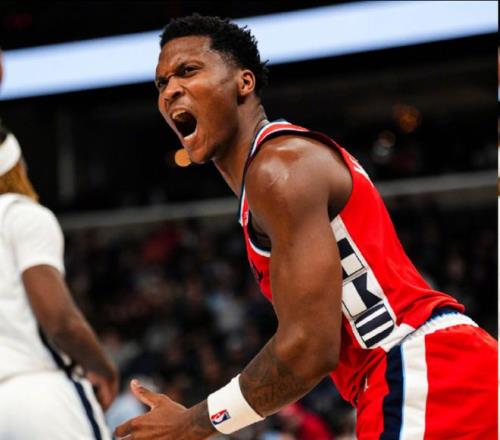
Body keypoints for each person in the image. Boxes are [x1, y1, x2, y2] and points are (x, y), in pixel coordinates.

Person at [115, 15, 498, 440]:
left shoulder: (279, 169)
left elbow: (309, 349)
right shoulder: (276, 168)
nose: (170, 90)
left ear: (244, 82)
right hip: (438, 370)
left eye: (188, 71)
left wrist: (193, 423)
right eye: (161, 82)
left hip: (424, 372)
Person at [0, 50, 118, 440]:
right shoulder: (21, 213)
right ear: (17, 169)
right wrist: (102, 364)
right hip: (37, 392)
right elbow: (59, 319)